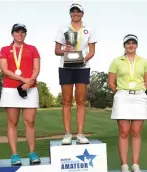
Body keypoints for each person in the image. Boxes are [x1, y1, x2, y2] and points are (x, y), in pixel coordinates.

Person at [54, 3, 97, 145]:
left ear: (82, 14)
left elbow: (91, 51)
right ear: (70, 14)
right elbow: (56, 50)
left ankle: (80, 134)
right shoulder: (63, 28)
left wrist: (84, 59)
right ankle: (67, 134)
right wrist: (66, 50)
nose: (75, 14)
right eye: (73, 11)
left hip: (83, 67)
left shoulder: (89, 29)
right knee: (66, 101)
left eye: (78, 11)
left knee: (81, 101)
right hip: (66, 66)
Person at [108, 34, 147, 172]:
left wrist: (141, 90)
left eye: (133, 43)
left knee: (136, 131)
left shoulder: (144, 61)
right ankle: (124, 165)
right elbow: (110, 82)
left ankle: (135, 164)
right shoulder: (116, 61)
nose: (131, 45)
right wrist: (120, 93)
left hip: (139, 96)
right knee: (124, 131)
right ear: (124, 45)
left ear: (137, 45)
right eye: (128, 43)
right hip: (122, 96)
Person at [0, 23, 41, 165]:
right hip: (11, 89)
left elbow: (36, 68)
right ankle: (15, 155)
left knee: (30, 122)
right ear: (12, 34)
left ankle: (32, 153)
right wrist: (23, 79)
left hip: (30, 88)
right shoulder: (5, 50)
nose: (20, 34)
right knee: (12, 122)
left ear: (25, 34)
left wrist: (30, 82)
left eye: (23, 32)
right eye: (17, 32)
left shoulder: (32, 49)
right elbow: (5, 69)